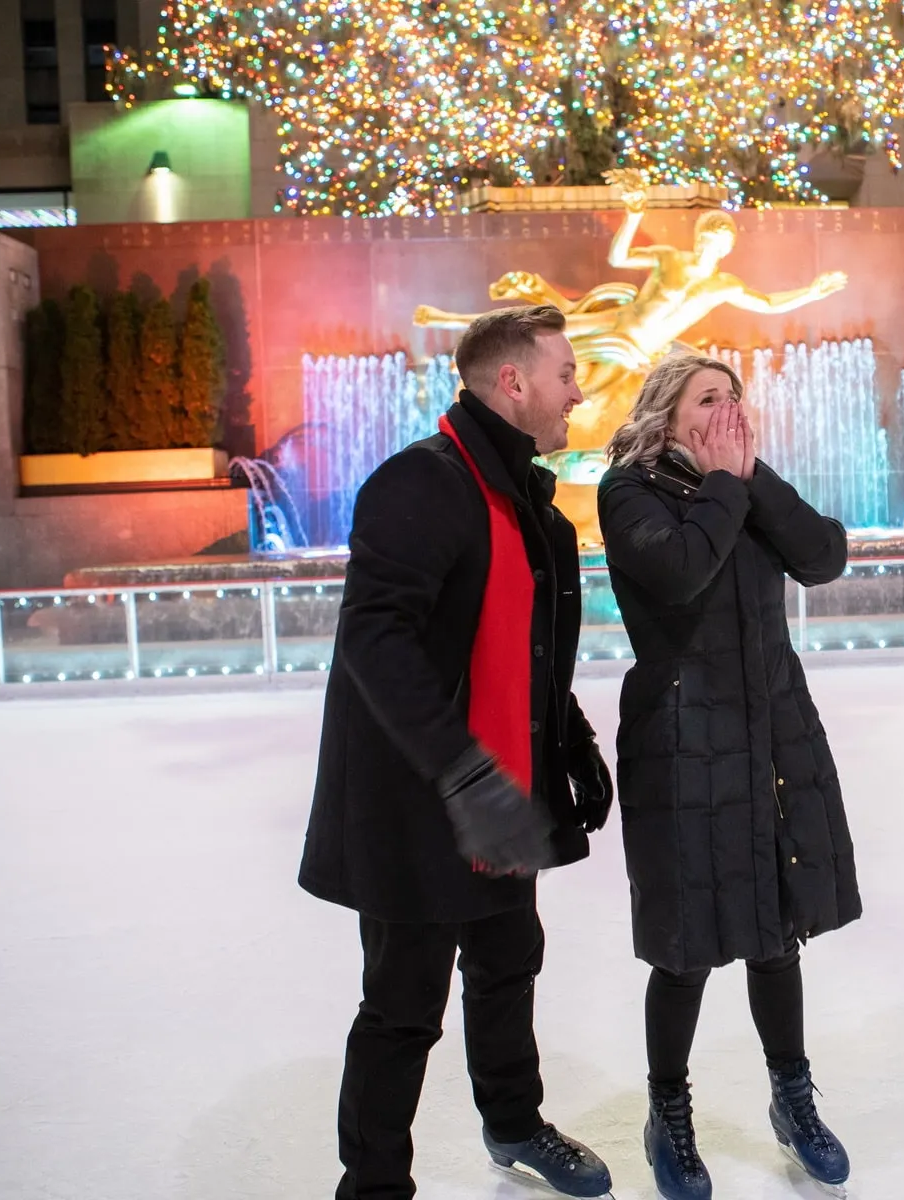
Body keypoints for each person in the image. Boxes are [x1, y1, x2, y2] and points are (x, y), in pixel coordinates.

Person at [299, 304, 618, 1200]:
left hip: (503, 793)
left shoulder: (529, 505)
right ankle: (373, 1187)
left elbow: (529, 645)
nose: (578, 391)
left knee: (508, 962)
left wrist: (575, 741)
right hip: (420, 802)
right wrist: (463, 768)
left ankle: (514, 1125)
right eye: (564, 374)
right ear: (512, 382)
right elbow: (375, 641)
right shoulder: (422, 485)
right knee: (403, 1009)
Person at [597, 352, 862, 1200]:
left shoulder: (743, 481)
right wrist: (724, 486)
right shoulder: (628, 491)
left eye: (736, 397)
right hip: (682, 738)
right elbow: (677, 573)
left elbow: (823, 556)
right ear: (667, 414)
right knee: (686, 946)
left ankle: (793, 1099)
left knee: (775, 931)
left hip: (773, 729)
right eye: (708, 398)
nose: (728, 410)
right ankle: (667, 1115)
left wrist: (747, 482)